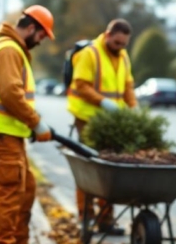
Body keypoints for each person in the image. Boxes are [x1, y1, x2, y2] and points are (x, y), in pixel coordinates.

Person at [0, 5, 56, 244]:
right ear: (31, 28)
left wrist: (32, 124)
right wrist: (36, 123)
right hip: (1, 133)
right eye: (41, 35)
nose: (40, 41)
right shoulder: (9, 50)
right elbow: (10, 93)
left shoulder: (9, 47)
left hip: (8, 133)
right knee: (8, 197)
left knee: (25, 191)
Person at [67, 18, 137, 235]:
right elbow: (81, 85)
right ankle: (86, 217)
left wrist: (134, 108)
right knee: (89, 169)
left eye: (124, 44)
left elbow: (127, 86)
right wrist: (104, 103)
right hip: (88, 119)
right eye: (116, 43)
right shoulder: (90, 54)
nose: (120, 48)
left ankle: (106, 219)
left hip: (111, 123)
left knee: (109, 170)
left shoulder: (123, 57)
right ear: (107, 35)